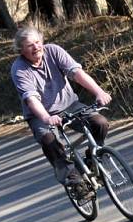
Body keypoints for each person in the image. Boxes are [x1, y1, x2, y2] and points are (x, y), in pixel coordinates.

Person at [10, 26, 112, 191]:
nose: (36, 47)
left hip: (69, 104)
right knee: (49, 139)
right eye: (30, 45)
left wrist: (99, 92)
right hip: (40, 114)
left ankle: (92, 159)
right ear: (21, 50)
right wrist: (46, 118)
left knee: (100, 123)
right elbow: (31, 99)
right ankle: (73, 181)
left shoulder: (54, 51)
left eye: (37, 42)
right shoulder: (19, 69)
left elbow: (77, 74)